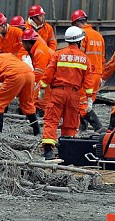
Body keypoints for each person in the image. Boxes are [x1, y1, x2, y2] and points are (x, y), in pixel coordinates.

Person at [38, 26, 94, 160]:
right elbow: (88, 82)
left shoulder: (58, 54)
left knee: (51, 121)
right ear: (79, 41)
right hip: (74, 95)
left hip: (58, 92)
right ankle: (67, 152)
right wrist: (89, 99)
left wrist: (42, 88)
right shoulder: (85, 59)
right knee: (70, 123)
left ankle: (48, 153)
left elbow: (48, 73)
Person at [71, 9, 105, 132]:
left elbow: (80, 55)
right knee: (86, 101)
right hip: (97, 74)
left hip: (87, 74)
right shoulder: (99, 36)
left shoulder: (82, 35)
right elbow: (102, 58)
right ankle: (82, 127)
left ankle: (98, 126)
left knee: (82, 103)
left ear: (76, 23)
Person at [22, 28, 53, 116]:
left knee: (43, 91)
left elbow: (40, 75)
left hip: (51, 75)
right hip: (50, 74)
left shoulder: (39, 51)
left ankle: (42, 109)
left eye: (23, 43)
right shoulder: (35, 48)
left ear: (28, 43)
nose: (22, 45)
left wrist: (29, 90)